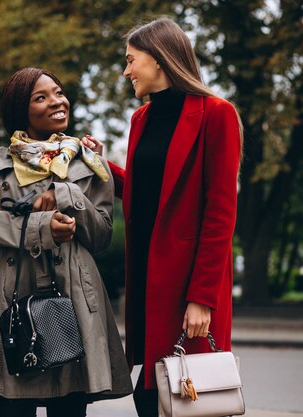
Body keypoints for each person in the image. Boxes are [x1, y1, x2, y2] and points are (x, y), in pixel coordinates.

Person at [82, 17, 243, 416]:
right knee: (153, 394)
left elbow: (220, 212)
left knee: (188, 395)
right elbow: (143, 191)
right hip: (150, 279)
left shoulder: (216, 114)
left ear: (158, 60)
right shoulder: (142, 119)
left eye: (131, 60)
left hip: (189, 284)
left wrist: (202, 298)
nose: (126, 70)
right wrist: (99, 165)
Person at [0, 67, 133, 417]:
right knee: (11, 405)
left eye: (58, 92)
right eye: (41, 97)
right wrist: (42, 228)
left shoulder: (88, 161)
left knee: (70, 404)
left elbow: (100, 235)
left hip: (75, 296)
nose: (57, 102)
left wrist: (66, 193)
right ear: (20, 110)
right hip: (14, 292)